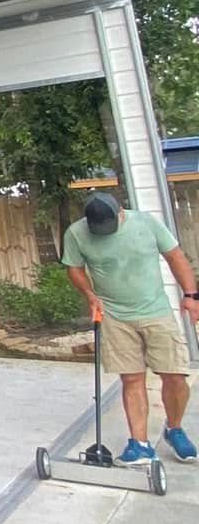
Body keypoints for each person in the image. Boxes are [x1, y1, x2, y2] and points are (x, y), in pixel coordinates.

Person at [62, 193, 199, 464]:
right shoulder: (77, 233)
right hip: (113, 315)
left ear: (121, 212)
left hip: (156, 311)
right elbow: (74, 269)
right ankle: (140, 444)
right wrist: (90, 294)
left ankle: (174, 428)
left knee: (175, 376)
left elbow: (175, 256)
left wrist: (191, 296)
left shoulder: (146, 223)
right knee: (132, 379)